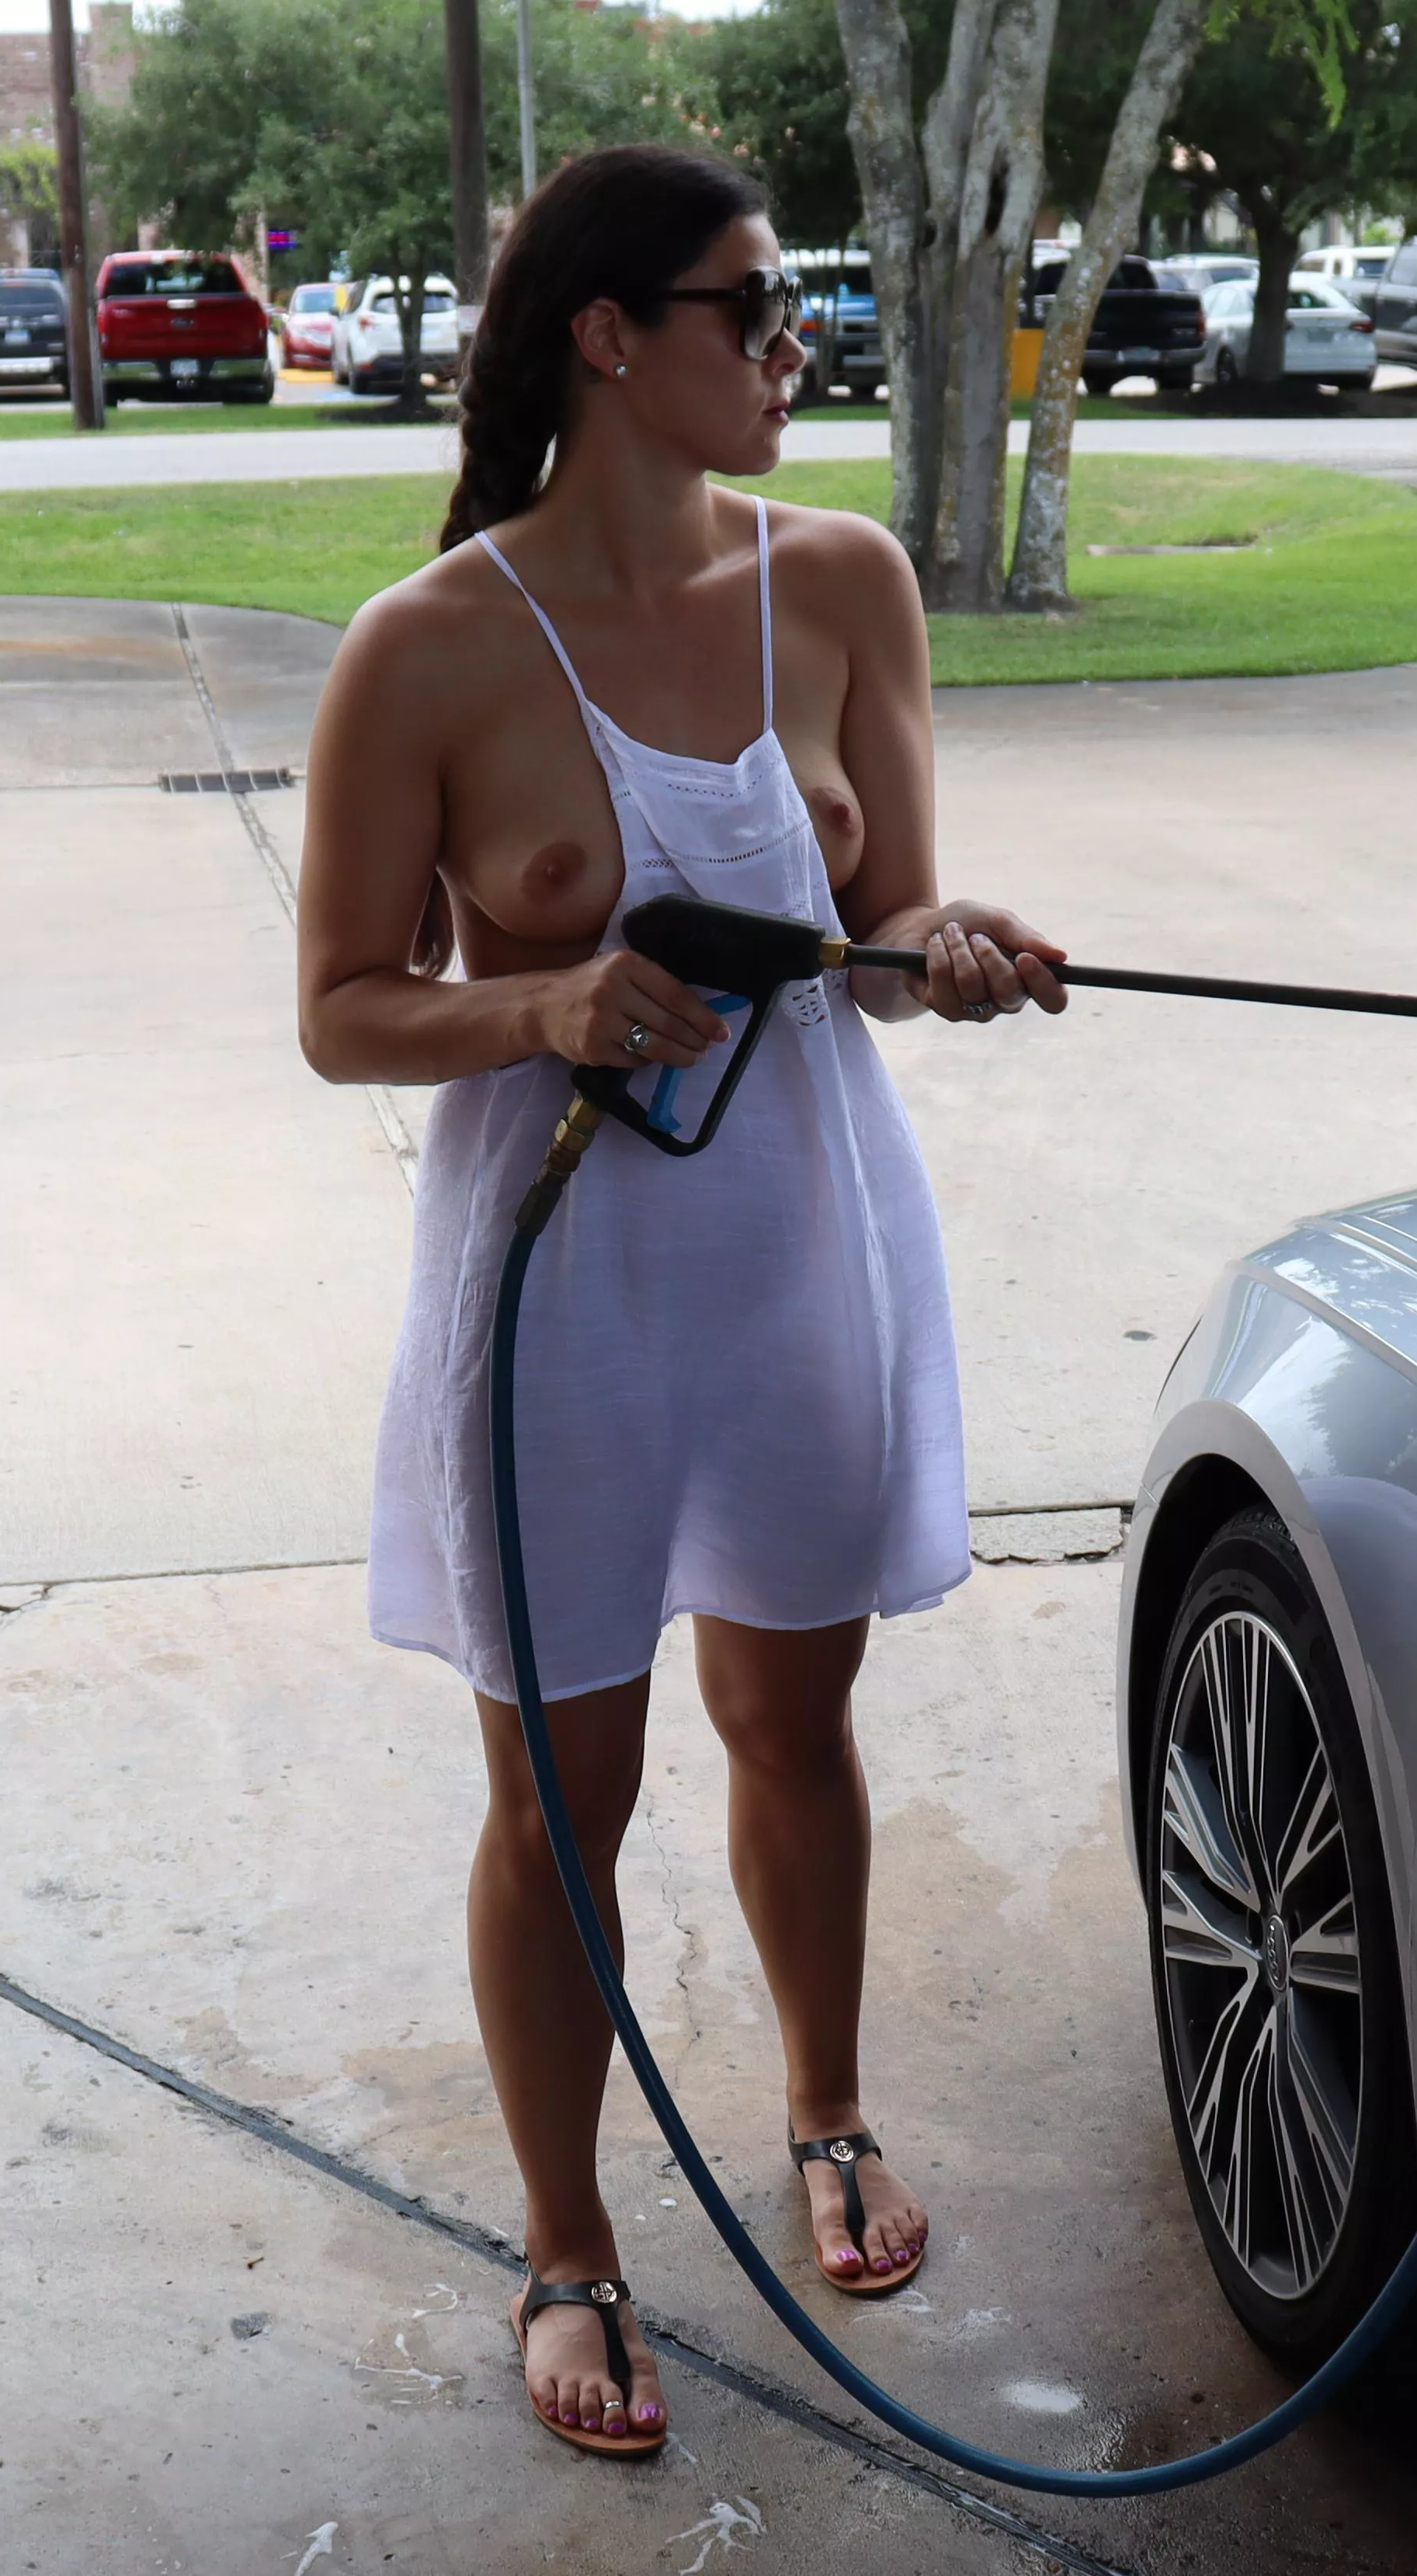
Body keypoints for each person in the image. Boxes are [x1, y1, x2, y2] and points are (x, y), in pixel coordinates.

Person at [296, 145, 1068, 2460]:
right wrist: (540, 1009)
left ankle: (824, 2111)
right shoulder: (427, 644)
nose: (795, 350)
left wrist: (947, 952)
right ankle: (568, 2243)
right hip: (560, 1282)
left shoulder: (843, 588)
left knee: (795, 1717)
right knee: (565, 1789)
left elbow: (889, 934)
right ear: (613, 336)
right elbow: (345, 1006)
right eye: (760, 310)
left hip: (800, 1246)